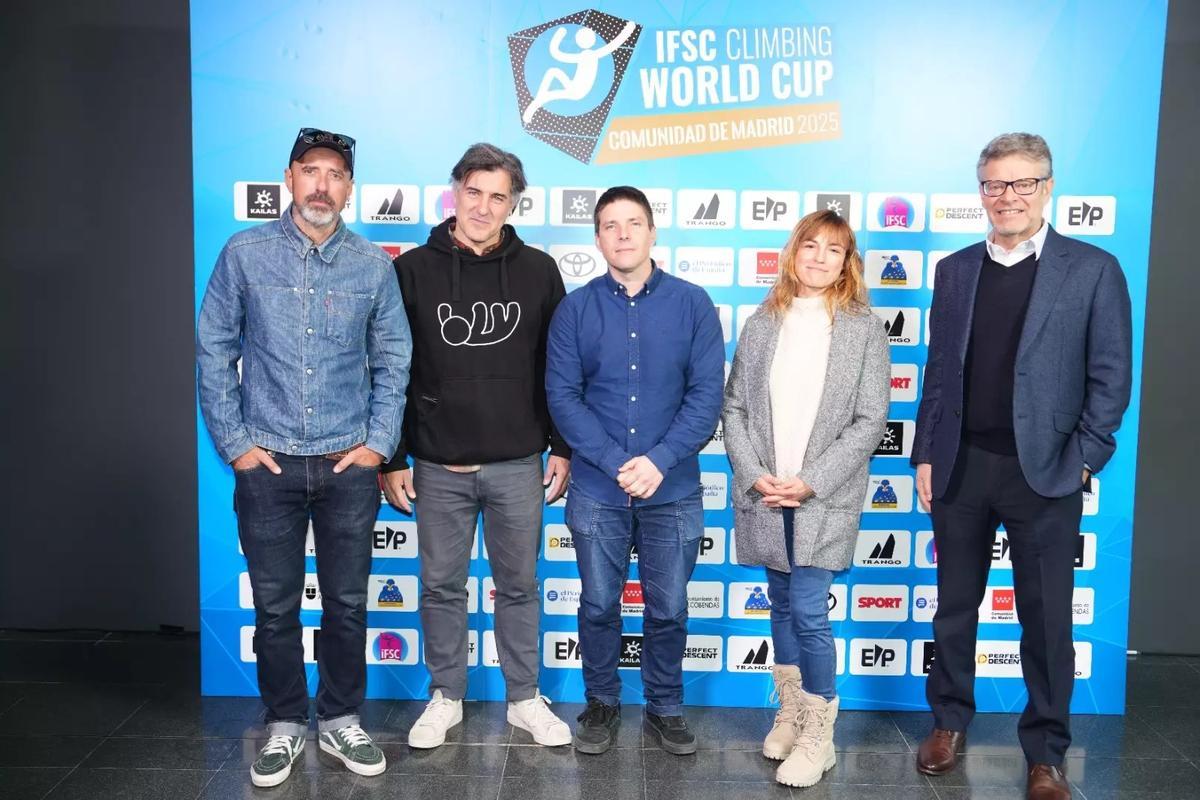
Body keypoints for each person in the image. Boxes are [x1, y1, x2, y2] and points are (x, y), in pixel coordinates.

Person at [911, 133, 1132, 800]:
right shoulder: (954, 270)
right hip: (961, 467)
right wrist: (925, 451)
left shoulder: (1092, 269)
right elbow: (940, 375)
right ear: (980, 190)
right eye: (993, 184)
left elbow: (1111, 378)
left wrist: (1083, 459)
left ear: (1048, 187)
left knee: (1046, 621)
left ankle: (1045, 753)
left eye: (1020, 183)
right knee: (954, 609)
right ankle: (948, 722)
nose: (1005, 196)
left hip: (1046, 475)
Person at [197, 127, 411, 787]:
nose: (322, 185)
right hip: (270, 468)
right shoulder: (244, 253)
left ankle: (343, 717)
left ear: (350, 188)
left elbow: (395, 360)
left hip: (349, 466)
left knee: (346, 603)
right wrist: (236, 445)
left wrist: (378, 443)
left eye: (335, 174)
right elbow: (213, 349)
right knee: (275, 605)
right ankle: (286, 724)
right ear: (289, 178)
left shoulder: (373, 265)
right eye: (310, 171)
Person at [380, 143, 573, 748]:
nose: (484, 207)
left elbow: (558, 367)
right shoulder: (410, 270)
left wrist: (561, 446)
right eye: (474, 192)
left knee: (519, 586)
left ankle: (523, 698)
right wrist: (392, 457)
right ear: (455, 191)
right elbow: (389, 369)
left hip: (519, 463)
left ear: (513, 202)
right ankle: (446, 696)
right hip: (439, 465)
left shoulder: (540, 270)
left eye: (498, 196)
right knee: (440, 585)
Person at [546, 186, 725, 756]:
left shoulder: (694, 304)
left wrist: (659, 461)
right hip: (599, 489)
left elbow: (705, 398)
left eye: (633, 223)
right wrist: (619, 463)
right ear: (596, 238)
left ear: (653, 232)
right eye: (609, 225)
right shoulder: (574, 309)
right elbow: (562, 398)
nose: (622, 235)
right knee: (598, 605)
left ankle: (665, 706)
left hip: (673, 490)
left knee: (668, 608)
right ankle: (600, 702)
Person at [723, 209, 890, 788]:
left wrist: (812, 479)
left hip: (824, 496)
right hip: (766, 492)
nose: (819, 257)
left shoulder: (865, 329)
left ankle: (821, 733)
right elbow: (735, 410)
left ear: (848, 262)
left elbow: (871, 421)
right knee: (780, 601)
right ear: (793, 252)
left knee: (811, 612)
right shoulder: (761, 323)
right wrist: (754, 473)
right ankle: (792, 713)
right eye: (810, 245)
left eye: (834, 249)